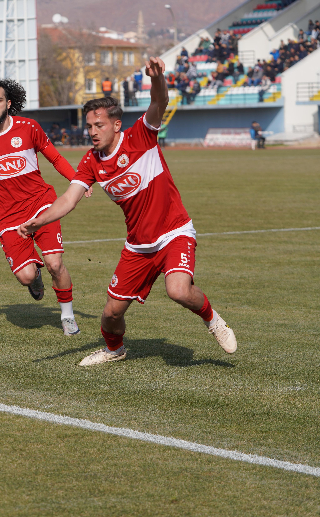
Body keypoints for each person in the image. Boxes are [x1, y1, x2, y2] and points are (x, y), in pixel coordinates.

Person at [17, 57, 237, 366]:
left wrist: (157, 78)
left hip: (174, 231)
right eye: (89, 126)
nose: (92, 131)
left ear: (116, 124)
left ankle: (213, 320)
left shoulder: (141, 136)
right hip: (138, 245)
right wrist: (37, 222)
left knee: (178, 290)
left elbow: (160, 100)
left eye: (99, 125)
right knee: (111, 313)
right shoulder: (91, 162)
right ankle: (114, 350)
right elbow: (68, 199)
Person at [0, 77, 91, 336]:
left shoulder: (29, 128)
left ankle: (67, 316)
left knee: (55, 264)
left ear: (8, 103)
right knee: (25, 277)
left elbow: (55, 158)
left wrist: (78, 181)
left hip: (41, 205)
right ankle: (35, 277)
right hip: (7, 216)